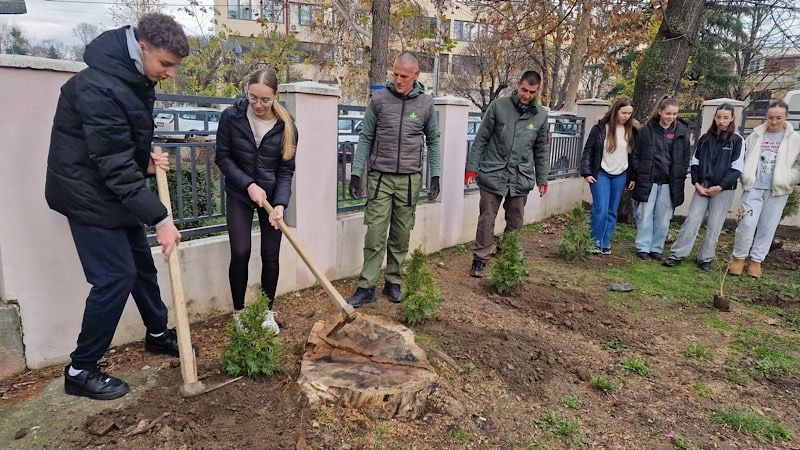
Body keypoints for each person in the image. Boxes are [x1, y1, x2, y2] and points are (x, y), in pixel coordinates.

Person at [45, 13, 190, 400]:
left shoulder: (133, 77)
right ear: (142, 47)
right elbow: (110, 162)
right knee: (114, 279)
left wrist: (142, 162)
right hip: (87, 196)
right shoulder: (99, 86)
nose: (170, 73)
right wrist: (159, 217)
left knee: (141, 267)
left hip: (111, 189)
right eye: (166, 64)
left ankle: (157, 334)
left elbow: (113, 146)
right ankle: (80, 369)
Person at [346, 52, 441, 307]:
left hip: (409, 181)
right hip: (381, 178)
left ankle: (393, 281)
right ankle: (366, 287)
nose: (398, 80)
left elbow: (433, 141)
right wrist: (356, 173)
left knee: (400, 235)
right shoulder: (378, 100)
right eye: (395, 74)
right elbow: (365, 138)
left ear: (416, 76)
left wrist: (436, 175)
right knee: (375, 235)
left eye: (404, 76)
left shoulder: (426, 104)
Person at [215, 68, 297, 333]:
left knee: (270, 255)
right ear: (247, 91)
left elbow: (286, 170)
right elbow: (223, 158)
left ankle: (266, 312)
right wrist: (248, 184)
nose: (258, 105)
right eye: (253, 98)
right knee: (240, 252)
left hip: (272, 197)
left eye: (265, 99)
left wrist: (281, 204)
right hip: (240, 194)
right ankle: (239, 312)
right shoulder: (231, 117)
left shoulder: (287, 126)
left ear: (276, 95)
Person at [465, 70, 550, 277]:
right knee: (487, 218)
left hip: (520, 176)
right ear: (518, 85)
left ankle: (510, 254)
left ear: (537, 91)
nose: (527, 95)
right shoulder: (498, 107)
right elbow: (481, 140)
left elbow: (541, 149)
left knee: (516, 220)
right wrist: (471, 168)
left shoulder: (540, 115)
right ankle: (480, 258)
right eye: (524, 90)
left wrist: (543, 178)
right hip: (494, 172)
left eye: (532, 92)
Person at [663, 103, 744, 271]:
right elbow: (695, 163)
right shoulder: (705, 139)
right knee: (692, 220)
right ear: (714, 117)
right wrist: (697, 183)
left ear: (732, 119)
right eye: (719, 117)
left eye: (726, 118)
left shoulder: (737, 140)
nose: (722, 121)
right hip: (703, 187)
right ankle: (677, 254)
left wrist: (720, 186)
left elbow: (736, 168)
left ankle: (705, 258)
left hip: (723, 190)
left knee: (715, 224)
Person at [729, 100, 800, 278]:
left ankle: (756, 261)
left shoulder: (795, 139)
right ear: (765, 117)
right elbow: (743, 155)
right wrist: (744, 175)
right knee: (747, 223)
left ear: (786, 116)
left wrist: (789, 178)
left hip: (777, 191)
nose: (774, 121)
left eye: (778, 118)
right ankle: (739, 258)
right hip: (753, 187)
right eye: (770, 117)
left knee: (767, 226)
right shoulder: (755, 135)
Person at [630, 97, 691, 260]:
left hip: (669, 183)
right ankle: (643, 246)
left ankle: (656, 248)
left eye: (674, 114)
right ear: (660, 112)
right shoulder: (645, 131)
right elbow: (636, 155)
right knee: (644, 215)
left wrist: (680, 173)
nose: (671, 117)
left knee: (663, 218)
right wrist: (639, 171)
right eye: (668, 113)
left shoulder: (681, 133)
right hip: (647, 180)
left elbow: (685, 158)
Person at [580, 98, 637, 255]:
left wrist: (632, 177)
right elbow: (588, 150)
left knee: (612, 210)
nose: (626, 116)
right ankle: (594, 242)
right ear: (615, 111)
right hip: (601, 173)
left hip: (621, 175)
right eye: (623, 112)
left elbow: (634, 157)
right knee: (601, 209)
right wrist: (586, 172)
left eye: (629, 113)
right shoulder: (600, 128)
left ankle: (605, 243)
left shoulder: (632, 130)